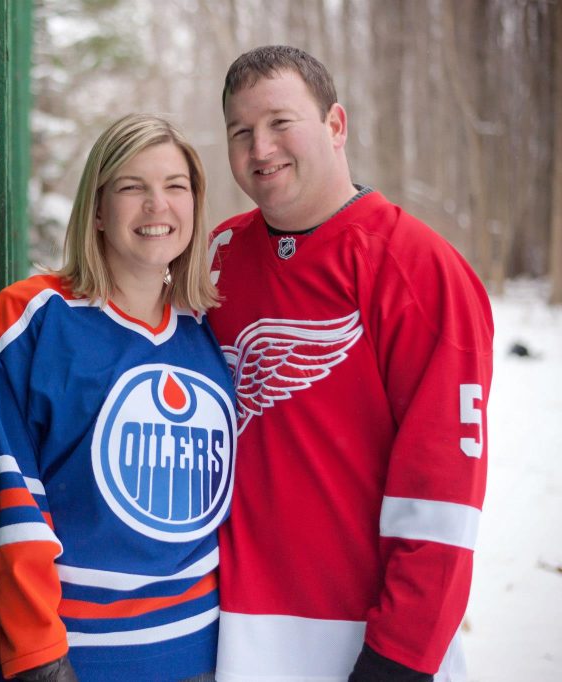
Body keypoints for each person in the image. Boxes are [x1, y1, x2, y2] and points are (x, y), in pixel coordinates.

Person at [206, 45, 493, 682]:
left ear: (337, 126)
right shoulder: (217, 255)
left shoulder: (419, 268)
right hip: (231, 631)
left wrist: (400, 655)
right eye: (241, 132)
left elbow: (444, 493)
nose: (261, 149)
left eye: (281, 123)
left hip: (361, 638)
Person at [0, 114, 238, 682]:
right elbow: (15, 497)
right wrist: (39, 656)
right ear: (97, 210)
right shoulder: (33, 320)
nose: (159, 206)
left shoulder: (206, 330)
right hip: (81, 656)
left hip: (204, 651)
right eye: (133, 187)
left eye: (176, 187)